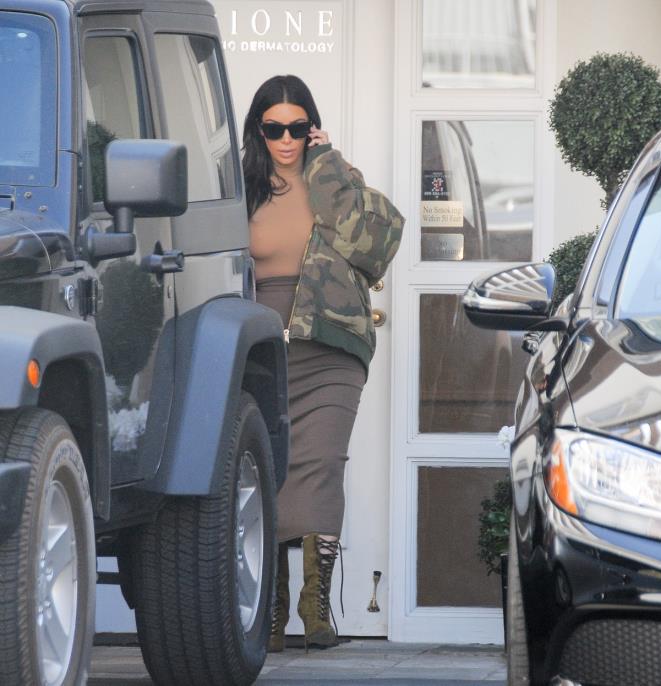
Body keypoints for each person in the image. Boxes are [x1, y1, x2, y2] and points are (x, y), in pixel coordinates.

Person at [243, 74, 404, 652]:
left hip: (332, 345)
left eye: (297, 128)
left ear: (312, 128)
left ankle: (316, 609)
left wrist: (326, 164)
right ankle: (270, 606)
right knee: (263, 469)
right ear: (258, 130)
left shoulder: (335, 177)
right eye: (274, 129)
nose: (286, 140)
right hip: (258, 352)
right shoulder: (241, 188)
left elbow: (373, 247)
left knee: (323, 465)